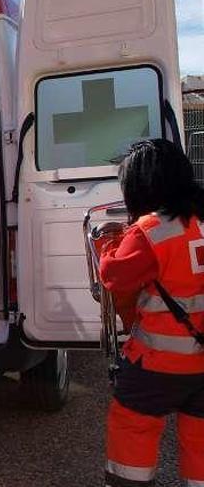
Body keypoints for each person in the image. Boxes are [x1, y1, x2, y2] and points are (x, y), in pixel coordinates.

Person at [95, 139, 204, 487]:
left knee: (133, 432)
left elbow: (114, 277)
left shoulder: (150, 231)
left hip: (158, 366)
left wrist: (109, 243)